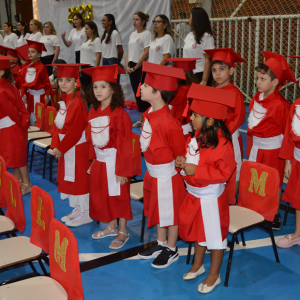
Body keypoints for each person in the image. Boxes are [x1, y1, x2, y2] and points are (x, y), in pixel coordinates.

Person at [177, 84, 236, 294]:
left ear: (210, 120)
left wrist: (197, 170)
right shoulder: (197, 137)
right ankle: (198, 264)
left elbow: (224, 173)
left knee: (214, 236)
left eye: (194, 115)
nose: (190, 118)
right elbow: (191, 160)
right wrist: (182, 162)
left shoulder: (223, 145)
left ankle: (214, 273)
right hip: (194, 195)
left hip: (211, 198)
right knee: (197, 232)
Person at [137, 62, 187, 268]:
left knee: (171, 212)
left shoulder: (169, 122)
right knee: (158, 210)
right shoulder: (149, 113)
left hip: (167, 176)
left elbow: (180, 153)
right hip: (152, 173)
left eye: (146, 86)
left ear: (157, 94)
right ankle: (160, 242)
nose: (141, 88)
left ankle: (172, 248)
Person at [82, 65, 133, 249]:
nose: (98, 91)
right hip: (100, 161)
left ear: (113, 88)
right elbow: (90, 140)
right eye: (95, 87)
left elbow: (125, 145)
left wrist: (122, 170)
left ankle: (123, 230)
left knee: (118, 197)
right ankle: (112, 226)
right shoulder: (92, 111)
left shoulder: (120, 114)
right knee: (104, 196)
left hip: (115, 162)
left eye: (103, 86)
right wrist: (93, 160)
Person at [247, 51, 296, 230]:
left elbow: (287, 133)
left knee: (272, 183)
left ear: (275, 82)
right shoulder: (255, 98)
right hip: (258, 148)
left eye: (263, 79)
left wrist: (286, 159)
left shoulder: (282, 105)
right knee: (256, 181)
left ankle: (274, 215)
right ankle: (257, 211)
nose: (258, 82)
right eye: (258, 78)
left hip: (273, 151)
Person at [50, 63, 92, 227]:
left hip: (77, 148)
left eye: (68, 80)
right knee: (71, 181)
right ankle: (77, 208)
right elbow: (57, 126)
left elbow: (75, 131)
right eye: (60, 80)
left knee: (80, 181)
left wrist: (60, 148)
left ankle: (86, 212)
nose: (63, 83)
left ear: (76, 82)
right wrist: (55, 144)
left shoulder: (77, 102)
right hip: (66, 148)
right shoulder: (64, 100)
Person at [205, 48, 246, 198]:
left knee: (233, 168)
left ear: (231, 71)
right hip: (214, 134)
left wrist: (224, 133)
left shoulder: (235, 93)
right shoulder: (213, 89)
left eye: (222, 69)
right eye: (214, 70)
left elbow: (239, 117)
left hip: (229, 136)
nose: (217, 73)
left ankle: (231, 200)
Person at [0, 55, 31, 195]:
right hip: (13, 125)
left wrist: (20, 124)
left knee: (17, 157)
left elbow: (11, 111)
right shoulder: (8, 85)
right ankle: (17, 180)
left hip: (11, 126)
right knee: (13, 156)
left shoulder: (2, 89)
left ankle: (27, 183)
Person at [277, 60, 300, 248]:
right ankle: (298, 233)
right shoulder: (297, 104)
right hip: (298, 159)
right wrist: (288, 161)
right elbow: (289, 136)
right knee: (298, 198)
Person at [125, 11, 151, 127]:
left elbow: (146, 53)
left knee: (143, 93)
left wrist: (136, 67)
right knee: (136, 93)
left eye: (137, 19)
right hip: (131, 66)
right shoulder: (132, 34)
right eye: (133, 19)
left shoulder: (147, 34)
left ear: (143, 21)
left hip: (140, 66)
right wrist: (127, 66)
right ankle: (141, 119)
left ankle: (146, 119)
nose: (134, 22)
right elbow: (129, 51)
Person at [18, 40, 51, 125]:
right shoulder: (25, 68)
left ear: (39, 55)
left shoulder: (42, 67)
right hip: (30, 96)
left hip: (40, 96)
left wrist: (47, 94)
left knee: (40, 115)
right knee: (32, 115)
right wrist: (24, 93)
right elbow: (23, 83)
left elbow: (46, 82)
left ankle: (42, 131)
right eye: (29, 52)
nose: (30, 54)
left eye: (33, 52)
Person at [165, 57, 199, 135]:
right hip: (189, 123)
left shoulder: (184, 90)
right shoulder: (193, 85)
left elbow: (170, 99)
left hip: (182, 126)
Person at [183, 7, 214, 86]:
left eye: (190, 16)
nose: (188, 19)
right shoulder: (189, 35)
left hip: (199, 74)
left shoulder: (207, 37)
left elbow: (208, 60)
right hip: (188, 74)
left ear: (196, 19)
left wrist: (204, 80)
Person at [80, 21, 101, 94]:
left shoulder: (96, 40)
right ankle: (87, 104)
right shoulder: (85, 41)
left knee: (91, 90)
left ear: (93, 29)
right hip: (83, 67)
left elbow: (98, 56)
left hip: (91, 67)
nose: (85, 31)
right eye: (85, 29)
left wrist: (95, 69)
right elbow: (82, 56)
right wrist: (80, 68)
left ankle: (92, 104)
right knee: (85, 90)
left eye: (87, 29)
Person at [101, 14, 123, 83]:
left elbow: (120, 50)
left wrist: (117, 62)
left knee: (114, 84)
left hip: (112, 62)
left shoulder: (115, 33)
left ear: (110, 21)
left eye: (104, 20)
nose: (102, 22)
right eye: (102, 20)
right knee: (107, 84)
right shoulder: (105, 34)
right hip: (104, 62)